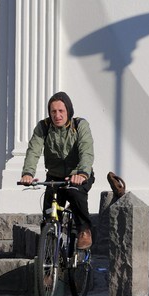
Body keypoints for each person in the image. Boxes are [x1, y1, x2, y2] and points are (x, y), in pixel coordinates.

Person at [19, 91, 96, 250]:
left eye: (61, 111)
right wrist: (28, 173)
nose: (57, 115)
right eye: (53, 111)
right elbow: (33, 150)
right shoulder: (44, 127)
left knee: (76, 194)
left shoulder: (80, 125)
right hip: (55, 176)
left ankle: (84, 231)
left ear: (68, 111)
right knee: (49, 215)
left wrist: (82, 173)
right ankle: (49, 254)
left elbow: (86, 151)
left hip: (78, 175)